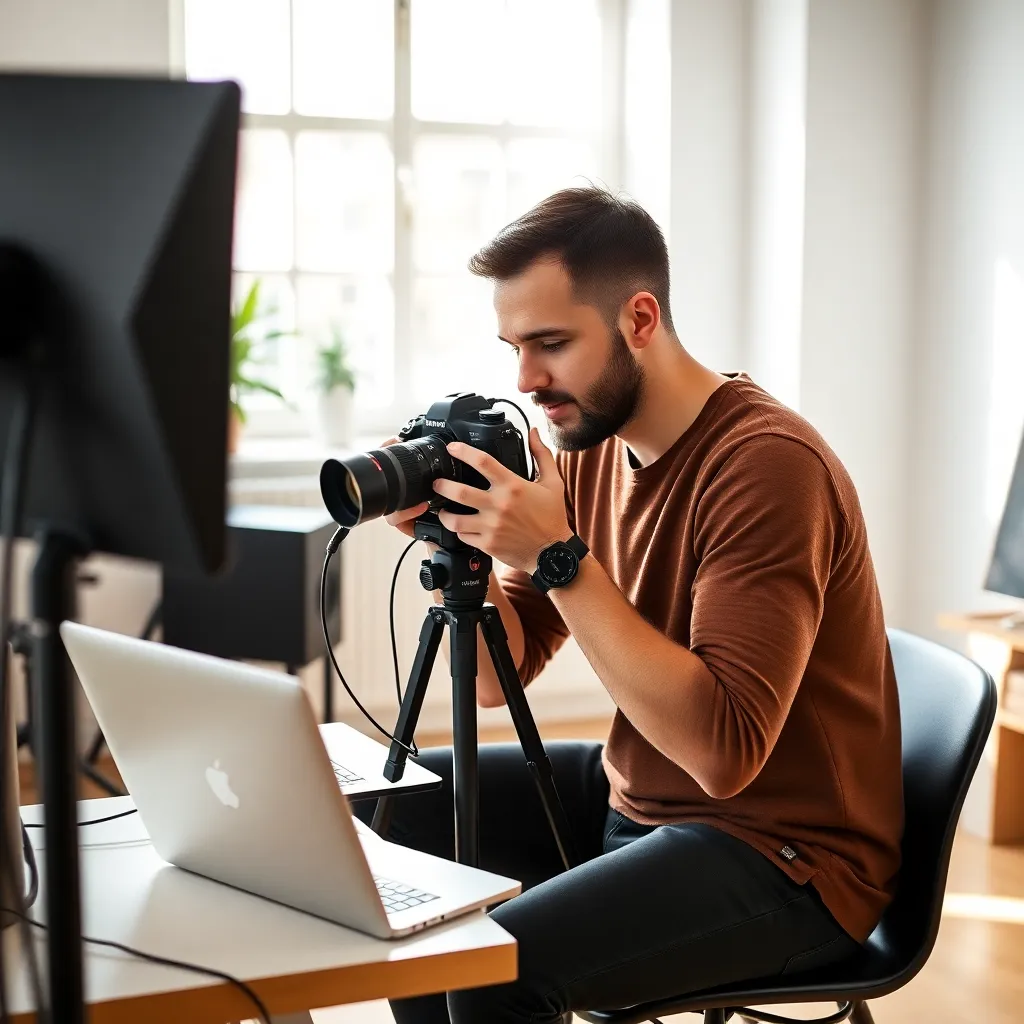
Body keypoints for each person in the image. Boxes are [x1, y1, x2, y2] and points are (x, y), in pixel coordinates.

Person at [359, 187, 903, 1024]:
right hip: (638, 799)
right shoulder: (587, 446)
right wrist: (460, 545)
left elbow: (724, 755)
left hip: (785, 856)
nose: (526, 381)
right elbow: (498, 680)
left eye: (551, 345)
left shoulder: (767, 467)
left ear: (640, 319)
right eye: (513, 347)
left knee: (483, 972)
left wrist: (559, 558)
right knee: (369, 823)